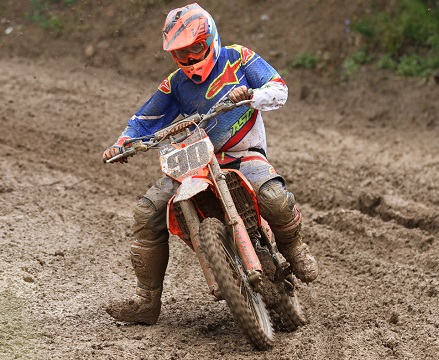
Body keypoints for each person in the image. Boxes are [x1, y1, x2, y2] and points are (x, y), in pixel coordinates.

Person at [102, 3, 318, 325]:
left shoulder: (240, 58)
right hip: (194, 161)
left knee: (273, 196)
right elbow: (144, 119)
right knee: (147, 213)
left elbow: (279, 89)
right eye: (181, 54)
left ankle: (294, 247)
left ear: (211, 38)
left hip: (243, 154)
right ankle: (146, 302)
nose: (190, 59)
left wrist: (253, 96)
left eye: (196, 49)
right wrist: (123, 143)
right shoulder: (175, 84)